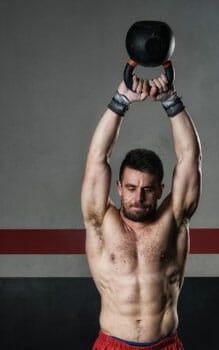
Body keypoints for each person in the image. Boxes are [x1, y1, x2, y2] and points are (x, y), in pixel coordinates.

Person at [81, 72, 202, 349]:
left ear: (161, 189)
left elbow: (189, 160)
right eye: (132, 188)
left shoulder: (172, 220)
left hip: (165, 344)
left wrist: (171, 101)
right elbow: (97, 159)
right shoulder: (100, 221)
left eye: (148, 189)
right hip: (113, 344)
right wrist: (120, 101)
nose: (139, 197)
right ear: (119, 187)